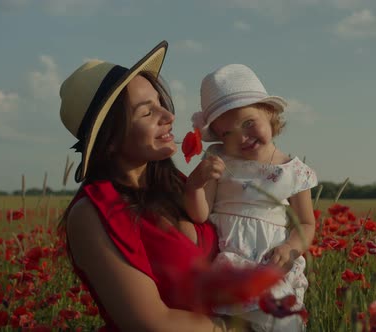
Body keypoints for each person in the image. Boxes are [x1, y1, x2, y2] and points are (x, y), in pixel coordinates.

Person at [58, 41, 246, 332]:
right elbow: (150, 322)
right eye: (147, 113)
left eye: (161, 104)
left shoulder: (180, 185)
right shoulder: (93, 213)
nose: (168, 117)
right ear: (109, 138)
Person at [185, 64, 318, 332]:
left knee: (280, 322)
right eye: (227, 133)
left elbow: (306, 223)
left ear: (269, 113)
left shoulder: (293, 171)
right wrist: (195, 184)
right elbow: (200, 213)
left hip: (270, 261)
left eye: (248, 123)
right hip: (228, 261)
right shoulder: (218, 160)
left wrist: (290, 248)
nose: (242, 138)